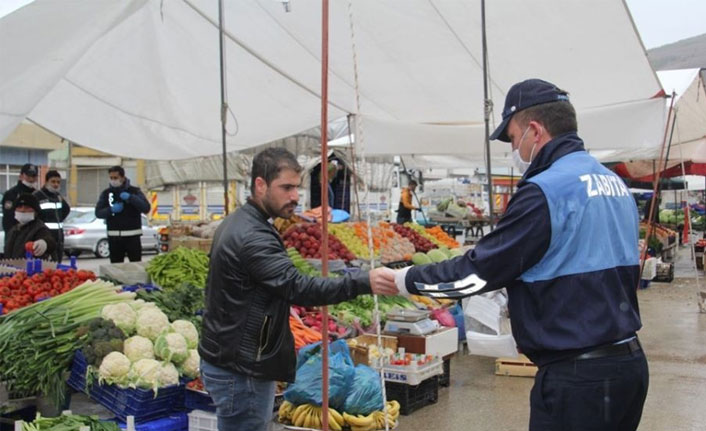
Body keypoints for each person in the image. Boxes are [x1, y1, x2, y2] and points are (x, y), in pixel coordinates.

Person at [393, 79, 648, 431]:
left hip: (579, 379)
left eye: (513, 138)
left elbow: (478, 272)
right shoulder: (613, 184)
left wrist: (403, 280)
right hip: (628, 365)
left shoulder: (547, 189)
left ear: (534, 130)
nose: (514, 149)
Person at [198, 148, 398, 431]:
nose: (294, 196)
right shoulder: (252, 236)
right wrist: (363, 282)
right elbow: (298, 287)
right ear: (260, 185)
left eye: (297, 187)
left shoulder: (243, 222)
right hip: (243, 368)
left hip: (233, 356)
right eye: (286, 187)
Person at [95, 166, 150, 263]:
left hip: (132, 237)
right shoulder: (107, 193)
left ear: (123, 177)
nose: (113, 180)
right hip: (114, 238)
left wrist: (131, 198)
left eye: (115, 178)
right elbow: (98, 213)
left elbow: (146, 208)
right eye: (111, 178)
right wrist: (111, 210)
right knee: (116, 267)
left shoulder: (134, 191)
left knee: (135, 266)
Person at [4, 194, 56, 260]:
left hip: (31, 268)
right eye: (19, 207)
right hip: (11, 269)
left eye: (27, 207)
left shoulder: (39, 228)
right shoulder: (13, 230)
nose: (22, 210)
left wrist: (44, 243)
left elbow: (50, 241)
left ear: (35, 211)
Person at [34, 170, 71, 262]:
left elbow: (66, 210)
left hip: (59, 240)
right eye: (53, 181)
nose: (56, 184)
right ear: (46, 182)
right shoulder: (38, 196)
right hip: (45, 239)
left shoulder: (57, 197)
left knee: (58, 267)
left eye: (58, 182)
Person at [2, 163, 39, 245]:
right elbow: (8, 219)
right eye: (28, 176)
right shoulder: (11, 194)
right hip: (15, 238)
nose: (31, 179)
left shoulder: (37, 194)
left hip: (34, 237)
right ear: (21, 176)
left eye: (34, 176)